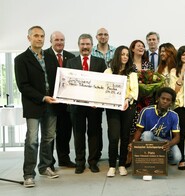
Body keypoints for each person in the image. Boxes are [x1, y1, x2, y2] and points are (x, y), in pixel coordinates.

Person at [14, 26, 59, 188]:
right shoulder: (21, 59)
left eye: (42, 36)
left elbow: (57, 79)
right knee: (32, 140)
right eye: (36, 36)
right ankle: (28, 174)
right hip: (34, 105)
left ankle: (45, 167)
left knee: (49, 138)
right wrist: (42, 97)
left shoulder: (50, 56)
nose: (39, 39)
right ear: (29, 38)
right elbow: (23, 86)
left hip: (51, 105)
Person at [66, 34, 106, 174]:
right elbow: (68, 85)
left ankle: (93, 162)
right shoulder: (71, 62)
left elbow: (104, 84)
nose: (85, 47)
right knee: (78, 134)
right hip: (76, 106)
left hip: (94, 106)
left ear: (92, 45)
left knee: (94, 133)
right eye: (82, 44)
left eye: (87, 44)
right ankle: (80, 162)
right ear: (78, 45)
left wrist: (99, 101)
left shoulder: (100, 62)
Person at [105, 45, 138, 177]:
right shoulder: (108, 71)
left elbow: (135, 92)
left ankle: (122, 165)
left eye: (127, 55)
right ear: (117, 55)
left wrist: (127, 100)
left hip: (127, 107)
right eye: (122, 54)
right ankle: (112, 165)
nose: (125, 57)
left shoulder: (132, 73)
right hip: (112, 108)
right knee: (113, 137)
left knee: (125, 137)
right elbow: (103, 89)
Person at [45, 31, 76, 168]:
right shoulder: (44, 55)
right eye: (56, 39)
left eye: (62, 40)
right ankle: (49, 162)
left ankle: (64, 159)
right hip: (50, 102)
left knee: (65, 132)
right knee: (49, 134)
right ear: (51, 41)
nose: (59, 42)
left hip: (66, 103)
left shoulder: (70, 57)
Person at [129, 87, 181, 165]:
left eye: (168, 100)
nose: (164, 101)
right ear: (158, 99)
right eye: (163, 98)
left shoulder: (174, 116)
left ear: (171, 103)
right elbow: (139, 130)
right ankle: (149, 162)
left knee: (177, 158)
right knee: (147, 134)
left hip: (164, 142)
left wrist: (169, 144)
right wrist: (133, 143)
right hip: (149, 139)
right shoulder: (146, 111)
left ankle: (160, 162)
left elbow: (177, 137)